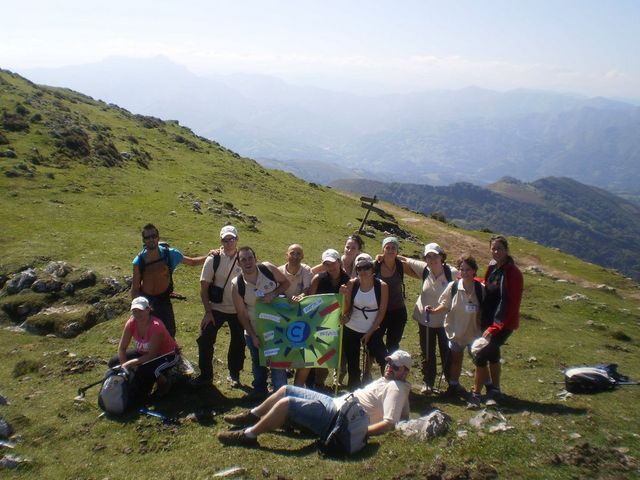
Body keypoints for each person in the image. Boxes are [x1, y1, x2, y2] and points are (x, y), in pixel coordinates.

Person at [217, 350, 412, 447]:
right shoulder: (395, 384)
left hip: (338, 418)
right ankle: (252, 415)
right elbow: (402, 415)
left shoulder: (396, 387)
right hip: (335, 404)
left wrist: (361, 433)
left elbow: (389, 423)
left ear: (405, 372)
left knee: (287, 404)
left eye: (395, 366)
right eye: (389, 363)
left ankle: (248, 435)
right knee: (286, 389)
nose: (389, 367)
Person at [467, 235, 523, 408]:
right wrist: (472, 279)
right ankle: (494, 390)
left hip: (502, 323)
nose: (496, 251)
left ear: (506, 250)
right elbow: (488, 285)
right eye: (493, 248)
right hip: (488, 319)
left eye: (499, 248)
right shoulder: (493, 267)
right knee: (492, 354)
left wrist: (495, 327)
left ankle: (476, 393)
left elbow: (511, 303)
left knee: (481, 353)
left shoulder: (513, 273)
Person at [232, 246, 291, 401]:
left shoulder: (268, 269)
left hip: (278, 329)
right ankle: (259, 393)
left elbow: (286, 283)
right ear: (238, 263)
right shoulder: (237, 284)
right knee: (258, 362)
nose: (247, 262)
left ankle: (281, 397)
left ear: (255, 258)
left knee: (278, 364)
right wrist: (252, 335)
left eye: (250, 257)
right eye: (243, 259)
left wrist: (274, 293)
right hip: (255, 331)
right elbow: (242, 314)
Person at [399, 242, 458, 394]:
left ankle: (451, 383)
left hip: (445, 321)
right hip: (425, 319)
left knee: (446, 352)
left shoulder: (451, 273)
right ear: (425, 259)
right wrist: (383, 256)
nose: (432, 259)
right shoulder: (425, 269)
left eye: (435, 256)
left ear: (442, 256)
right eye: (428, 256)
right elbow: (404, 260)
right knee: (427, 353)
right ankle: (428, 382)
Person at [131, 223, 208, 337]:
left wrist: (210, 255)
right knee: (148, 335)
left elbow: (192, 262)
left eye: (154, 236)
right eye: (147, 237)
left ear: (158, 237)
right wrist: (136, 310)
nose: (151, 239)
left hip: (164, 300)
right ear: (143, 240)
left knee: (169, 333)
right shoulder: (139, 261)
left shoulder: (169, 253)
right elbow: (135, 288)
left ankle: (171, 353)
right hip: (146, 302)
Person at [194, 225, 244, 387]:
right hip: (216, 308)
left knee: (238, 341)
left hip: (238, 309)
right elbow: (204, 289)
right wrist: (208, 312)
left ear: (237, 240)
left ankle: (234, 374)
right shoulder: (213, 259)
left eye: (232, 239)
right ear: (221, 240)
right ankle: (206, 375)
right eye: (225, 239)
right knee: (205, 338)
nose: (229, 242)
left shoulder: (244, 258)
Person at [427, 255, 484, 398]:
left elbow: (485, 310)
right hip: (456, 331)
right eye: (462, 269)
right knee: (456, 360)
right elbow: (445, 305)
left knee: (479, 361)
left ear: (474, 270)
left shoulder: (480, 289)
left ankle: (478, 390)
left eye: (468, 269)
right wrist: (433, 311)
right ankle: (453, 385)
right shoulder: (453, 287)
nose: (464, 272)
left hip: (475, 332)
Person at [294, 248, 350, 388]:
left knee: (331, 358)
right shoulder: (318, 279)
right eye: (327, 264)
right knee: (312, 357)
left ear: (339, 262)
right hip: (317, 324)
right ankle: (306, 386)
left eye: (333, 263)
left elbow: (347, 308)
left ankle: (323, 385)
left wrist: (344, 296)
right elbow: (310, 302)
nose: (330, 267)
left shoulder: (348, 281)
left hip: (337, 325)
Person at [109, 296, 179, 399]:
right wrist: (124, 365)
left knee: (148, 369)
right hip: (143, 353)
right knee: (114, 362)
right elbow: (122, 348)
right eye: (134, 311)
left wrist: (129, 364)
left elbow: (152, 356)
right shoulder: (131, 323)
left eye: (140, 311)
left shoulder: (156, 326)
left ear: (148, 309)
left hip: (166, 355)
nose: (137, 314)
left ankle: (165, 382)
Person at [340, 253, 388, 390]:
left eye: (366, 267)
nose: (363, 271)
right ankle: (353, 391)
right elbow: (347, 307)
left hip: (372, 329)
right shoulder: (352, 283)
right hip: (351, 328)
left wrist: (370, 332)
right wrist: (344, 298)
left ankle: (388, 388)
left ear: (373, 269)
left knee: (383, 358)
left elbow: (382, 311)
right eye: (359, 268)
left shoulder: (382, 286)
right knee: (353, 363)